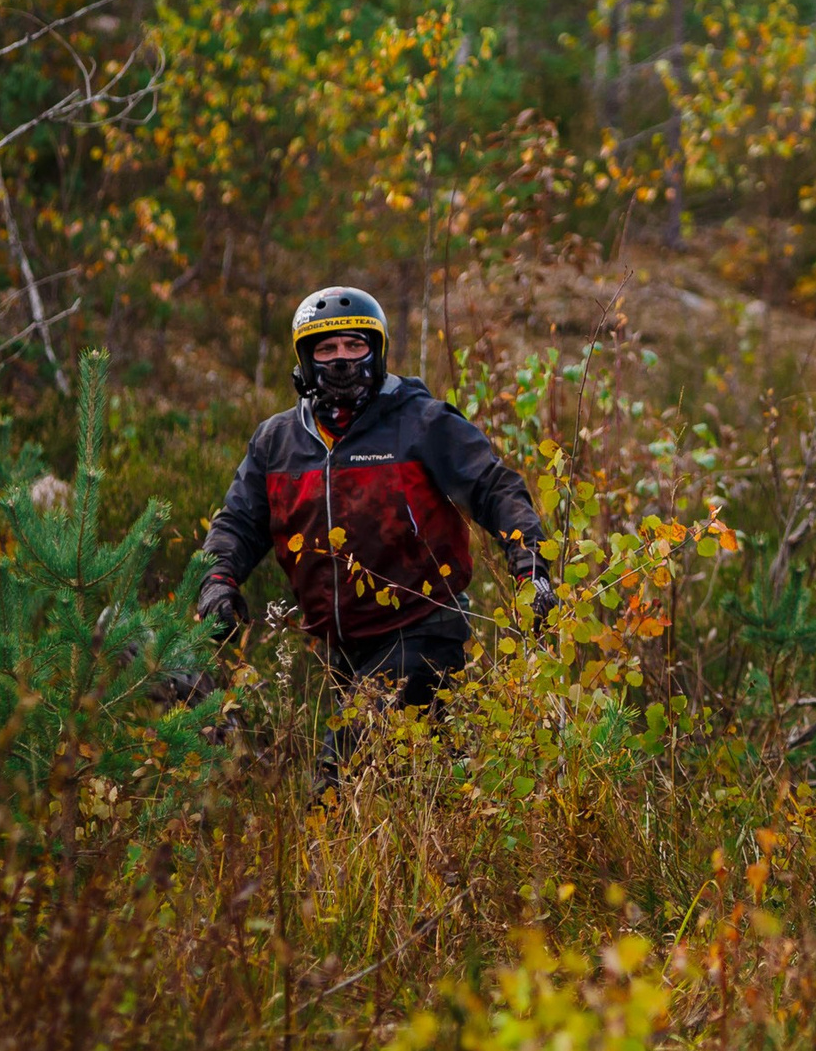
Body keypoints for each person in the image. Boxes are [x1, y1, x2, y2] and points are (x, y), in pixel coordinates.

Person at [195, 285, 557, 739]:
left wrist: (530, 567)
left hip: (424, 630)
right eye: (326, 348)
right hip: (341, 650)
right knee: (405, 789)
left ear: (378, 349)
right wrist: (217, 581)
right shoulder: (277, 441)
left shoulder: (423, 422)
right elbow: (238, 522)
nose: (342, 359)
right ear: (305, 360)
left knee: (341, 780)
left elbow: (495, 488)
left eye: (355, 344)